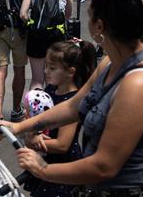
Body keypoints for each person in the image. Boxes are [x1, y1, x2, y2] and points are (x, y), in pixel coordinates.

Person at [0, 0, 143, 196]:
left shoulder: (139, 84)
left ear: (99, 26)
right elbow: (73, 107)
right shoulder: (110, 62)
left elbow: (104, 166)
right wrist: (18, 127)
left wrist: (44, 169)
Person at [23, 40, 96, 197]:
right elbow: (38, 119)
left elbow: (63, 144)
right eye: (47, 66)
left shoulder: (72, 101)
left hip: (62, 164)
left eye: (52, 68)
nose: (46, 71)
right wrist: (31, 132)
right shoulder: (51, 90)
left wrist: (36, 142)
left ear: (70, 72)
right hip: (46, 157)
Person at [20, 0, 73, 90]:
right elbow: (67, 16)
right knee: (54, 81)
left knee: (37, 80)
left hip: (35, 37)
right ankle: (52, 109)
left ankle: (34, 110)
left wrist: (33, 25)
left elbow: (22, 14)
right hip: (56, 39)